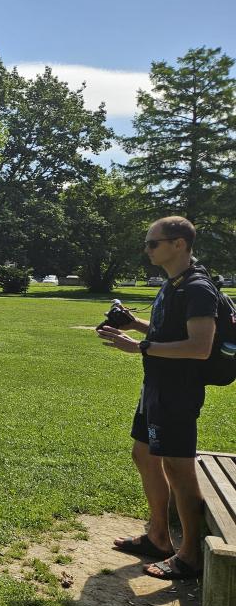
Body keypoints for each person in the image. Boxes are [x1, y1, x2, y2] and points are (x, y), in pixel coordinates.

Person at [96, 216, 217, 580]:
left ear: (178, 244)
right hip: (157, 386)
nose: (147, 249)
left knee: (178, 469)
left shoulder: (197, 288)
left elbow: (200, 347)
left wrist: (139, 347)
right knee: (144, 454)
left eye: (153, 243)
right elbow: (169, 333)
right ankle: (158, 536)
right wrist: (134, 326)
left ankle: (190, 555)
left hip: (178, 391)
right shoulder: (173, 285)